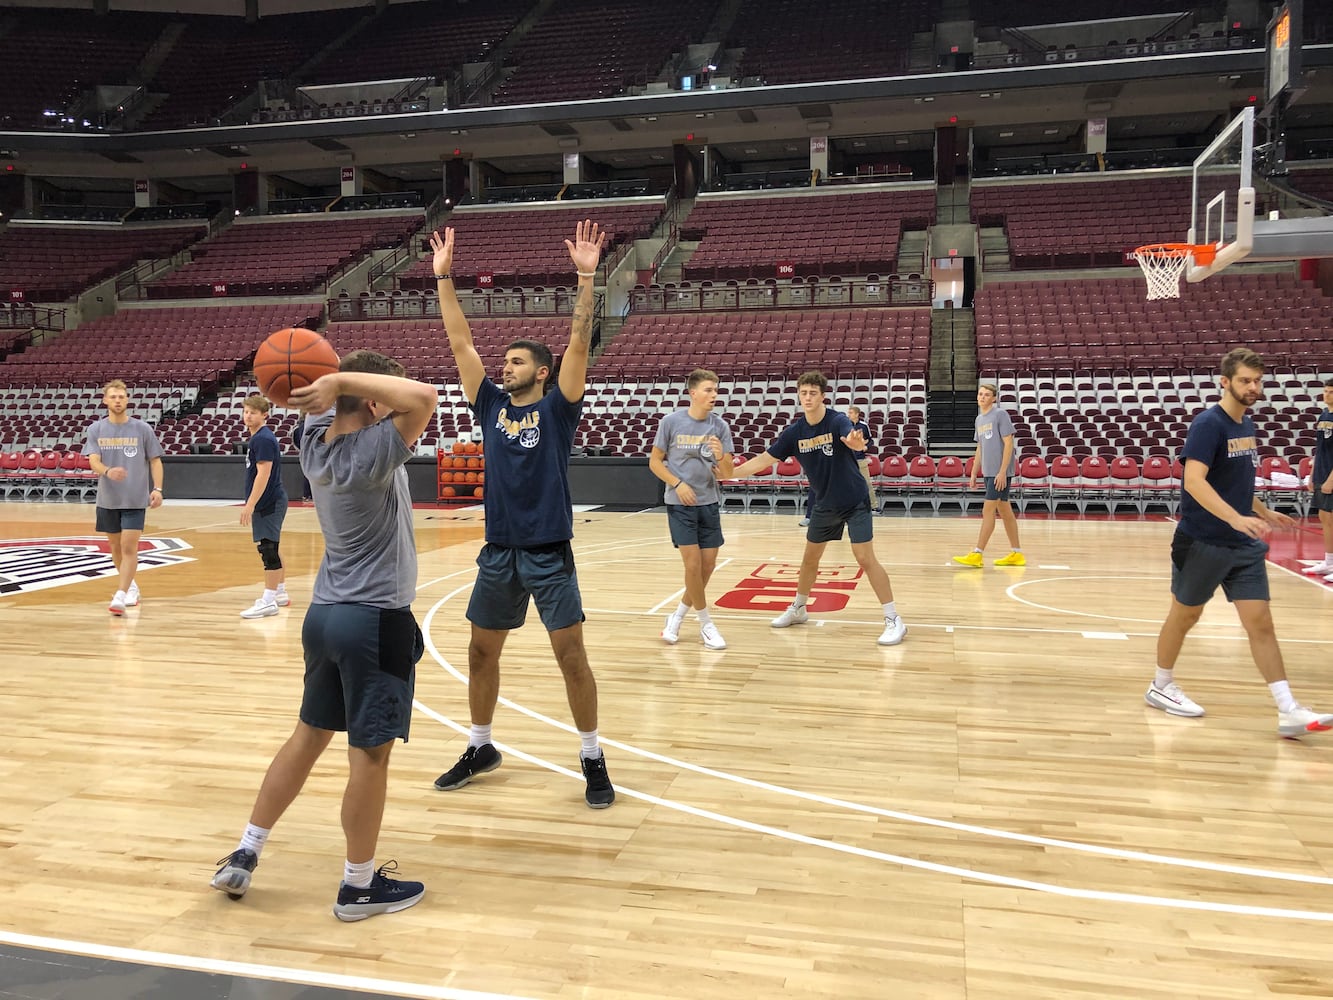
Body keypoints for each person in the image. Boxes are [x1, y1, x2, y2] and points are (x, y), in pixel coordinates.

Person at [211, 349, 437, 920]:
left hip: (324, 615)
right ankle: (358, 888)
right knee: (370, 758)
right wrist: (338, 378)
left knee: (308, 736)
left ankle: (246, 849)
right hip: (375, 620)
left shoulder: (314, 443)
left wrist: (328, 380)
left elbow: (307, 388)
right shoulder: (376, 449)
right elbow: (426, 397)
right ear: (372, 399)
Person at [428, 219, 616, 809]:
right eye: (502, 361)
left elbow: (580, 343)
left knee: (571, 658)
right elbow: (461, 343)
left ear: (540, 371)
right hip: (499, 552)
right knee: (481, 652)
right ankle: (480, 744)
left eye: (514, 362)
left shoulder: (560, 409)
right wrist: (444, 281)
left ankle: (591, 755)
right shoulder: (488, 406)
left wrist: (586, 279)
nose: (502, 367)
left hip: (548, 553)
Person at [1143, 348, 1332, 738]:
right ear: (1225, 382)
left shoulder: (1247, 426)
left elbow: (1234, 484)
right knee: (1185, 616)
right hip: (1203, 541)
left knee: (1261, 622)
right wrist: (1234, 517)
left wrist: (1261, 511)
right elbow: (1195, 481)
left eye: (1258, 381)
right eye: (1246, 380)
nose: (1253, 387)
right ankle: (1160, 686)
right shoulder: (1208, 425)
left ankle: (1288, 709)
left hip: (1243, 545)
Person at [726, 371, 907, 646]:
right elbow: (764, 459)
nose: (808, 397)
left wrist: (858, 443)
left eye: (813, 392)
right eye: (803, 393)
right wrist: (731, 473)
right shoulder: (795, 432)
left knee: (865, 558)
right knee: (810, 559)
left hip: (854, 500)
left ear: (823, 396)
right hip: (825, 503)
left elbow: (852, 436)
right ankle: (799, 608)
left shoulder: (837, 420)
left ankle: (894, 619)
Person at [649, 368, 736, 650]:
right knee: (693, 565)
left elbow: (727, 472)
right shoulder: (671, 422)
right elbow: (654, 463)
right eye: (709, 390)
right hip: (680, 504)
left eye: (716, 390)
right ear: (693, 393)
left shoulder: (719, 427)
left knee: (707, 567)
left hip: (709, 501)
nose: (714, 395)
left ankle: (677, 616)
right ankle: (706, 624)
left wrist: (721, 455)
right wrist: (677, 484)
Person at [84, 379, 165, 615]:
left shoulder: (142, 429)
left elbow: (155, 460)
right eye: (113, 397)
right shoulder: (96, 429)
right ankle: (131, 586)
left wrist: (157, 489)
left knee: (129, 547)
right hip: (108, 499)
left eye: (121, 396)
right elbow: (93, 460)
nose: (118, 400)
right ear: (105, 400)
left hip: (134, 498)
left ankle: (120, 594)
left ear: (127, 399)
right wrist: (108, 471)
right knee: (115, 548)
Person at [952, 383, 1025, 568]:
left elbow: (1009, 443)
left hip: (1000, 473)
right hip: (988, 471)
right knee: (1006, 512)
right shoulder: (979, 420)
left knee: (988, 511)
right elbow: (980, 448)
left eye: (986, 395)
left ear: (994, 398)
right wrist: (974, 472)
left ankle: (977, 553)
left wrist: (1002, 472)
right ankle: (1016, 553)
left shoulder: (1000, 415)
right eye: (980, 394)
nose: (982, 397)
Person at [238, 394, 291, 618]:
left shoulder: (262, 439)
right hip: (270, 501)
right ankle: (279, 592)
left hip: (269, 501)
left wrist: (250, 504)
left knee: (268, 549)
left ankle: (268, 601)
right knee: (273, 547)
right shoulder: (259, 438)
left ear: (264, 415)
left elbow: (264, 473)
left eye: (253, 412)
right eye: (246, 411)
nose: (248, 416)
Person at [1301, 378, 1333, 581]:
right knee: (1325, 518)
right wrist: (1313, 474)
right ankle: (1329, 561)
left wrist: (1331, 478)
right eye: (1325, 390)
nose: (1327, 394)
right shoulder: (1323, 415)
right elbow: (1319, 448)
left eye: (1331, 391)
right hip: (1321, 471)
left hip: (1331, 475)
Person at [846, 405, 878, 513]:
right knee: (847, 484)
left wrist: (866, 447)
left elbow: (871, 440)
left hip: (860, 458)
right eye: (848, 412)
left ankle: (874, 506)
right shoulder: (845, 425)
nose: (848, 414)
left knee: (867, 483)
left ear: (856, 414)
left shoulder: (864, 426)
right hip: (848, 460)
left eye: (850, 413)